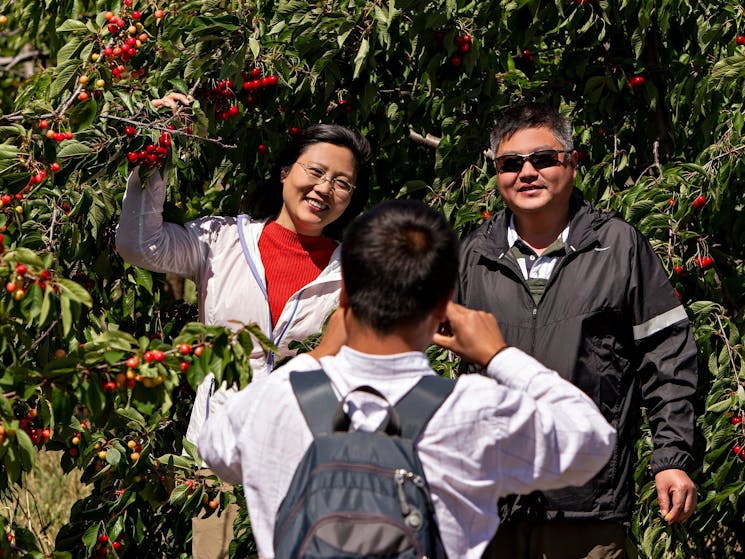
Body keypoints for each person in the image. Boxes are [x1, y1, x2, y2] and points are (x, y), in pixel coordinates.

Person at [198, 199, 616, 559]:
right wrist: (498, 355)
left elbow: (213, 446)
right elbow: (593, 439)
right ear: (442, 306)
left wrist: (318, 355)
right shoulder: (473, 410)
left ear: (344, 296)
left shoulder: (270, 402)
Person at [456, 101, 698, 559]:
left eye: (543, 159)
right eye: (510, 164)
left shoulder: (619, 247)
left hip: (587, 506)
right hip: (491, 508)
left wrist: (671, 459)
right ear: (497, 173)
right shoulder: (470, 255)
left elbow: (667, 358)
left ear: (571, 162)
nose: (527, 172)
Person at [115, 99, 372, 445]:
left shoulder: (354, 275)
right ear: (285, 172)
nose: (325, 188)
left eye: (342, 183)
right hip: (216, 456)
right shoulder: (223, 240)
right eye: (315, 171)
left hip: (302, 459)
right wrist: (157, 147)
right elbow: (140, 244)